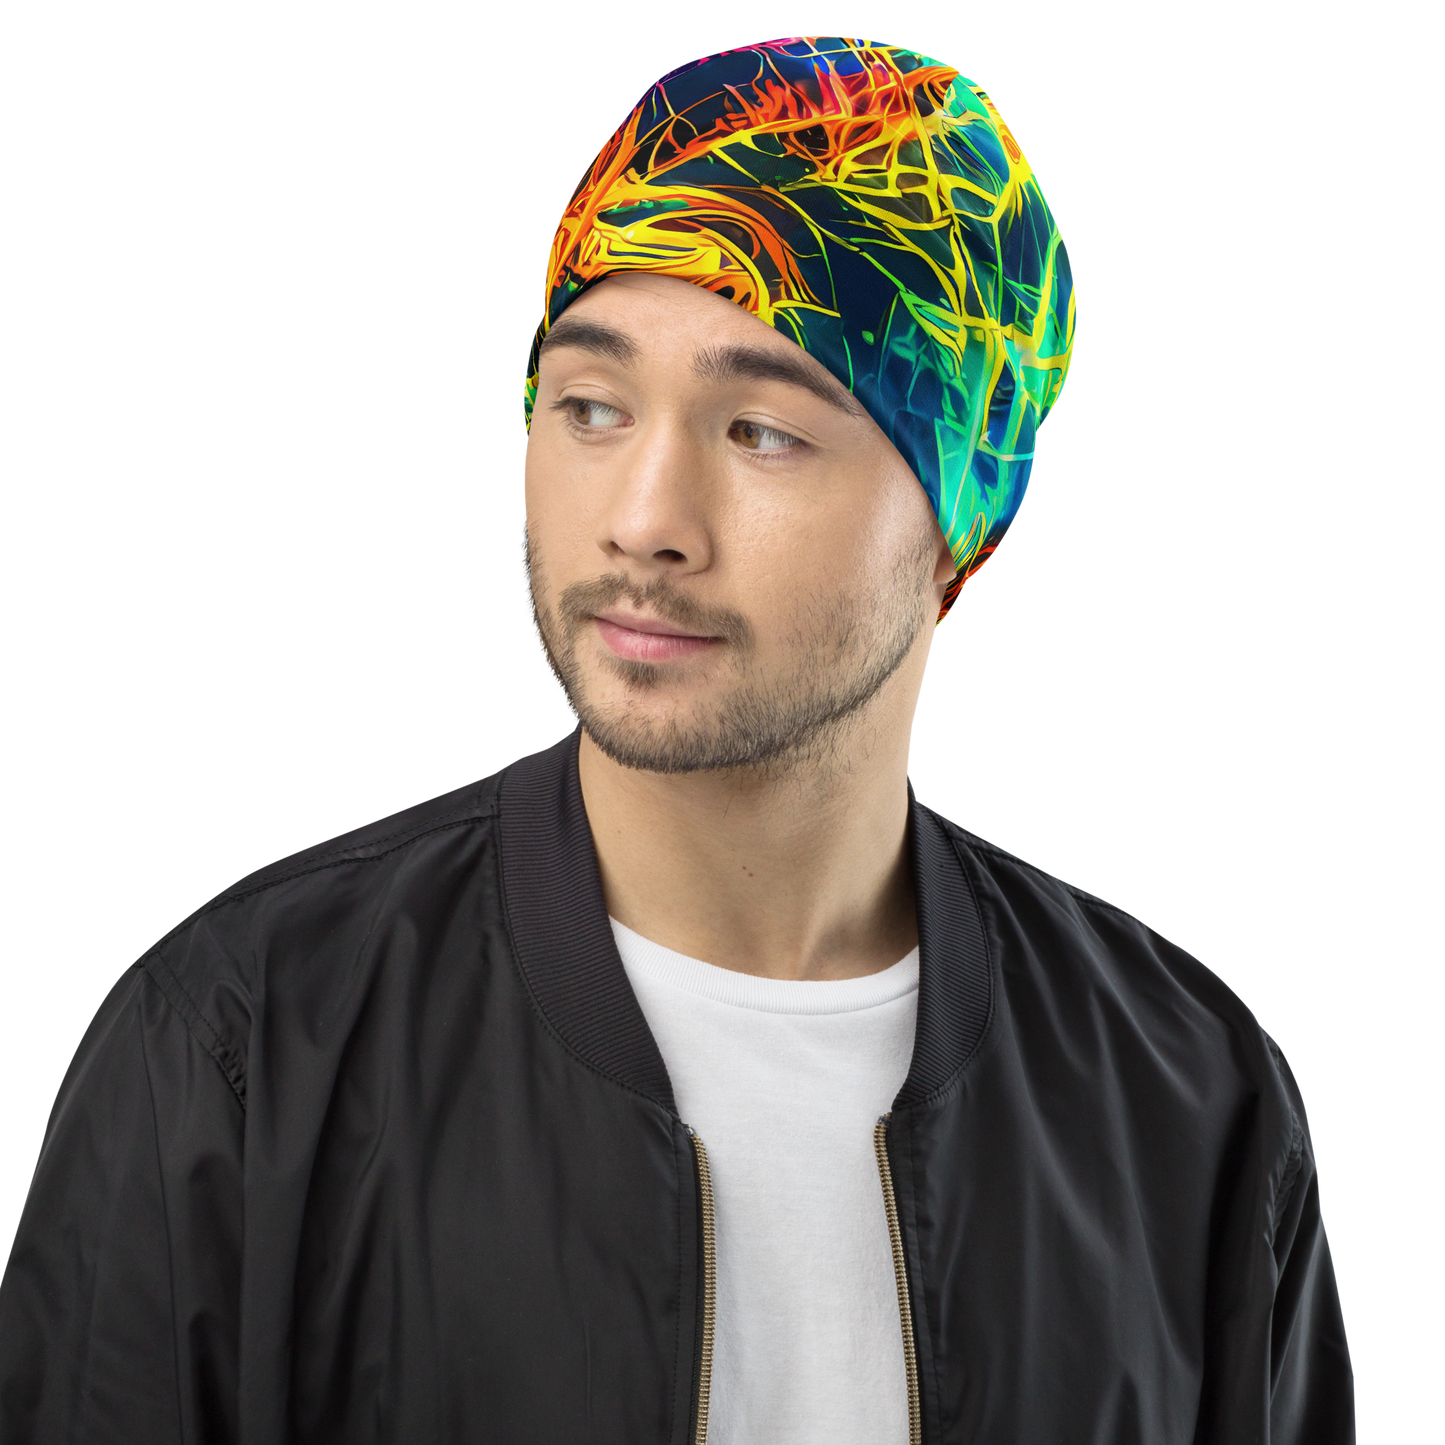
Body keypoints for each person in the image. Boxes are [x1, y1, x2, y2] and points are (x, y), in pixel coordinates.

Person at [0, 34, 1354, 1444]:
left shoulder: (1192, 1102)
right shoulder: (239, 1048)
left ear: (961, 512)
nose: (644, 520)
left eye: (760, 431)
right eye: (590, 408)